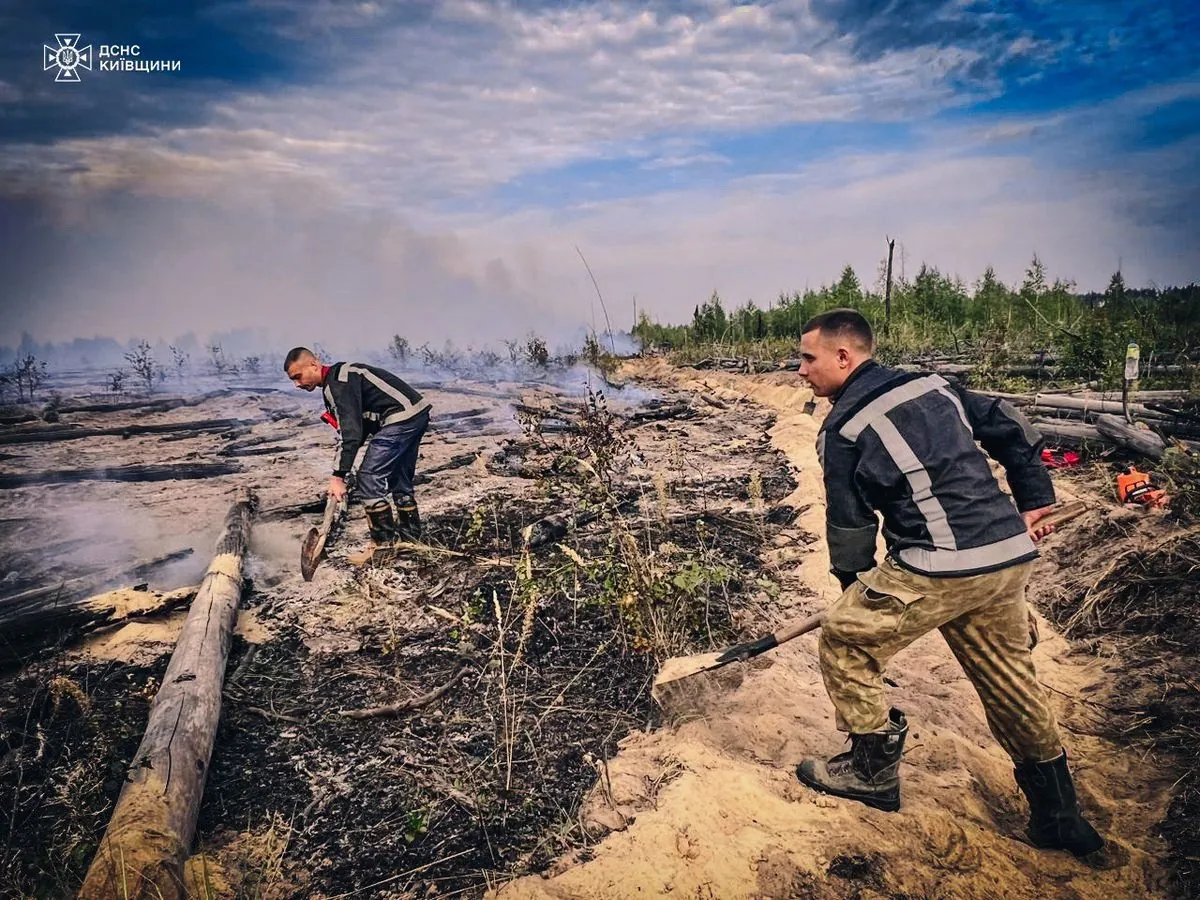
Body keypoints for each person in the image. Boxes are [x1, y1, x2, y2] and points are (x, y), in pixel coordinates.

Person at [793, 308, 1103, 859]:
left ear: (844, 357)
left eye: (807, 358)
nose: (800, 371)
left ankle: (871, 772)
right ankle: (1059, 817)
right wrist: (1035, 498)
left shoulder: (843, 428)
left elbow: (850, 527)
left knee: (844, 639)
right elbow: (1013, 425)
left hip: (939, 565)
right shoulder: (935, 384)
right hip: (1008, 554)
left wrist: (853, 593)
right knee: (1010, 681)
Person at [284, 347, 431, 564]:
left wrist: (337, 476)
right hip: (415, 415)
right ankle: (411, 541)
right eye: (292, 380)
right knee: (398, 479)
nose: (297, 384)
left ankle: (382, 548)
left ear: (314, 365)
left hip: (399, 418)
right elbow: (358, 430)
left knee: (369, 477)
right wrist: (343, 470)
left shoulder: (338, 383)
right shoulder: (341, 378)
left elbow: (351, 433)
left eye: (298, 376)